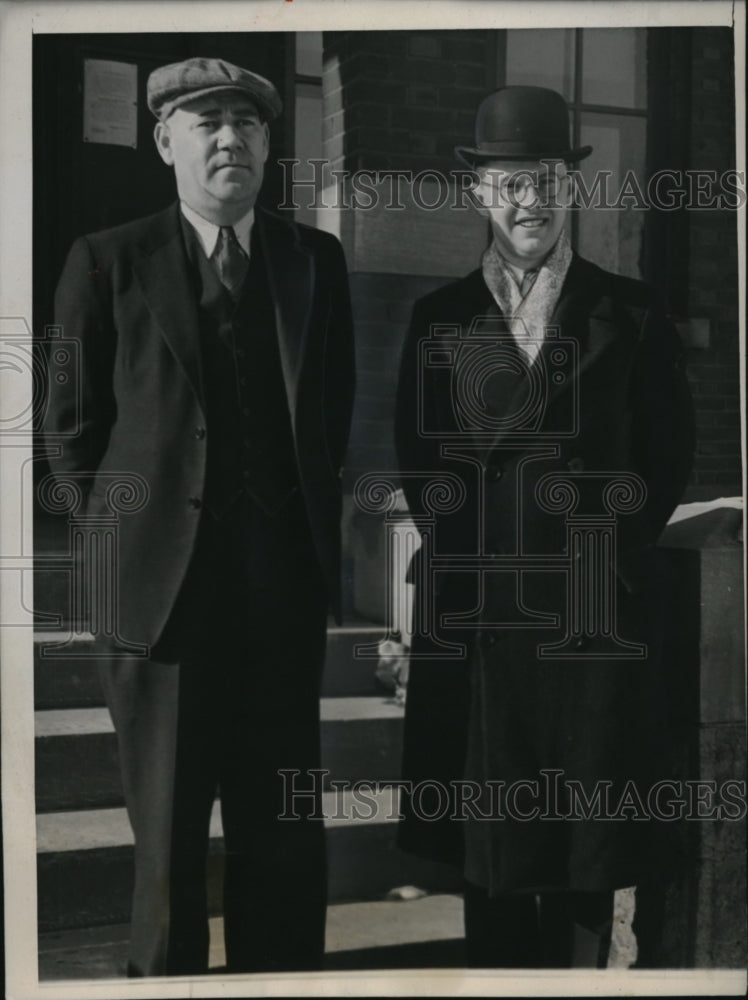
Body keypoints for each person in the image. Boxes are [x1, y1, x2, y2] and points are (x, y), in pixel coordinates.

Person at [44, 56, 354, 976]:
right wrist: (122, 554)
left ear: (267, 143)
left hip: (279, 602)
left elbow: (332, 413)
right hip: (160, 609)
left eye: (248, 124)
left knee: (283, 835)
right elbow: (68, 434)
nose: (230, 140)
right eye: (207, 122)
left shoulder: (314, 261)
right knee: (170, 842)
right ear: (165, 141)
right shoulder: (106, 260)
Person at [395, 86, 694, 968]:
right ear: (481, 195)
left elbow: (665, 460)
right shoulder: (439, 320)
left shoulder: (631, 314)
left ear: (572, 190)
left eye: (548, 181)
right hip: (484, 622)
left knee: (585, 854)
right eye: (511, 183)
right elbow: (423, 466)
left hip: (589, 626)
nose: (531, 202)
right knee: (490, 856)